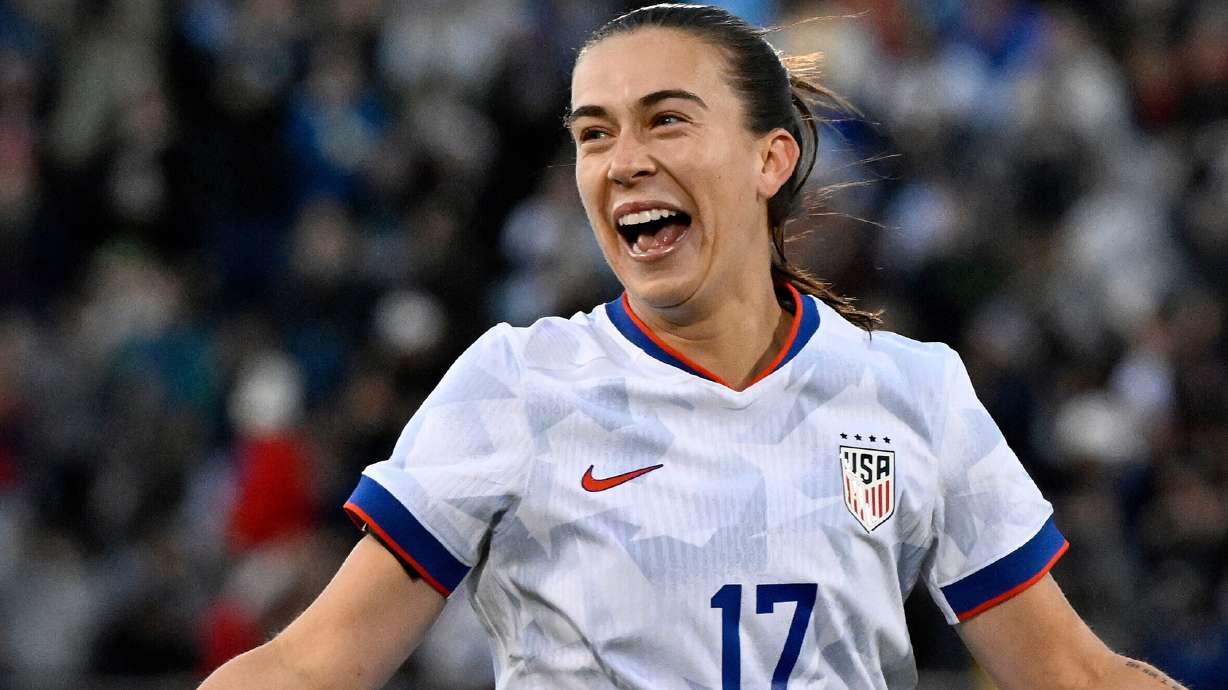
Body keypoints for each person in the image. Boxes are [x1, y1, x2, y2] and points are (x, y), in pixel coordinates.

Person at [200, 5, 1188, 689]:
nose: (624, 161)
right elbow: (312, 665)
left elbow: (1072, 674)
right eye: (594, 134)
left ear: (771, 157)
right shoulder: (515, 385)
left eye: (666, 120)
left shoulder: (912, 393)